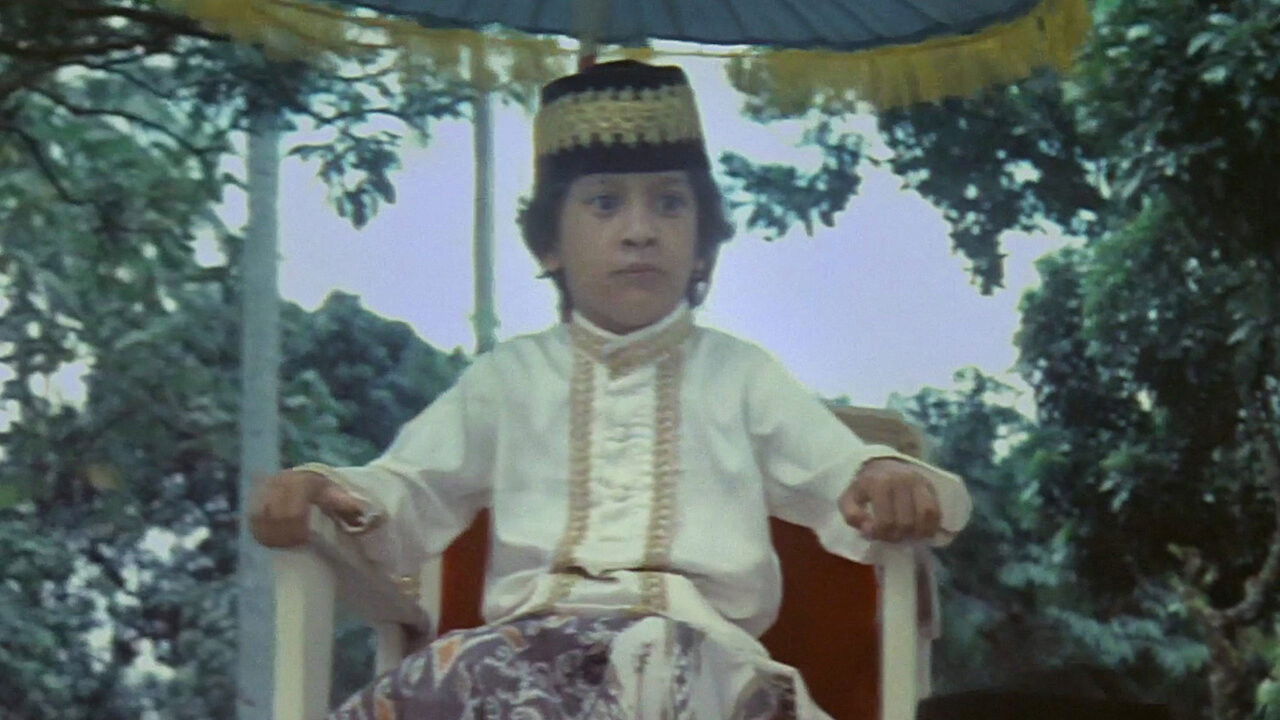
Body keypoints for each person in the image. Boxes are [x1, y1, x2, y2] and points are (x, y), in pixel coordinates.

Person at [251, 59, 971, 720]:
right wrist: (328, 489)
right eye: (603, 204)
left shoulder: (741, 375)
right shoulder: (508, 379)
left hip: (701, 665)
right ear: (549, 244)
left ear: (704, 243)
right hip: (523, 662)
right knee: (449, 683)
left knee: (656, 662)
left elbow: (836, 471)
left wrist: (881, 477)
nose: (639, 232)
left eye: (670, 204)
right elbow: (409, 488)